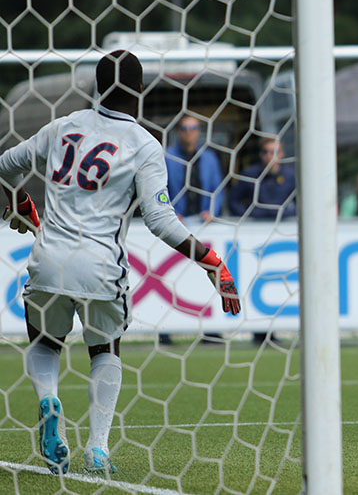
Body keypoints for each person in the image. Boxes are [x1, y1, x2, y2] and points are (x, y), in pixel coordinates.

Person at [0, 50, 240, 475]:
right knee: (104, 349)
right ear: (141, 91)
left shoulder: (62, 126)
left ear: (97, 86)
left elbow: (5, 165)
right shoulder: (145, 145)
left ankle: (47, 401)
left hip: (48, 259)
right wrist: (211, 260)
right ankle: (97, 448)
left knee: (44, 343)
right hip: (100, 268)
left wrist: (20, 201)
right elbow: (161, 221)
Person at [165, 115, 223, 221]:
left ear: (199, 131)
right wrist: (171, 213)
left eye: (193, 128)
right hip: (175, 220)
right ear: (179, 131)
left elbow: (217, 189)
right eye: (184, 128)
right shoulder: (168, 157)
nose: (189, 132)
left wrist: (211, 212)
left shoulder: (209, 158)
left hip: (203, 220)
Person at [229, 137, 296, 219]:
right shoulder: (250, 174)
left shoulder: (290, 175)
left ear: (281, 154)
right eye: (265, 152)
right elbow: (233, 201)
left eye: (273, 152)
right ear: (260, 154)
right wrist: (247, 216)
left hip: (283, 224)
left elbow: (302, 203)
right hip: (255, 226)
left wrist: (289, 214)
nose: (269, 156)